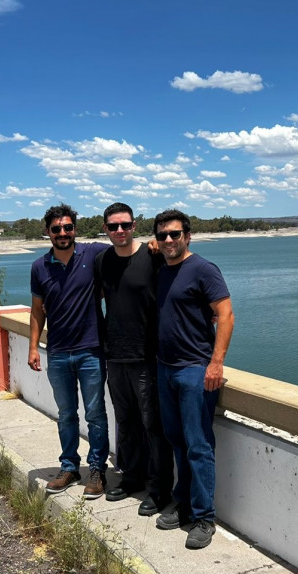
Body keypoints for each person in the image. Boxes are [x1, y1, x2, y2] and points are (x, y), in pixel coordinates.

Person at [152, 209, 234, 550]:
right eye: (162, 236)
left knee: (198, 445)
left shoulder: (203, 269)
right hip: (165, 367)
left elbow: (226, 316)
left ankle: (204, 517)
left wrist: (215, 363)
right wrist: (150, 247)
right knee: (177, 441)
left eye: (175, 234)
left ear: (188, 236)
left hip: (194, 370)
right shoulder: (162, 269)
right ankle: (182, 504)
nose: (169, 240)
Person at [95, 202, 174, 517]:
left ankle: (159, 489)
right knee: (126, 422)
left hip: (146, 357)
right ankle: (131, 478)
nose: (119, 231)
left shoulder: (153, 256)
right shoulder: (103, 261)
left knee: (152, 424)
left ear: (134, 225)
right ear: (106, 229)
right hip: (115, 357)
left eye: (125, 225)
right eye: (113, 226)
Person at [29, 204, 110, 499]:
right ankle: (69, 466)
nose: (63, 233)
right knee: (65, 414)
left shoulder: (93, 253)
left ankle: (97, 469)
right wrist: (33, 347)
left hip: (91, 350)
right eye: (56, 229)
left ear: (75, 228)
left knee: (95, 414)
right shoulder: (39, 267)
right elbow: (37, 310)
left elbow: (125, 244)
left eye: (68, 227)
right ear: (47, 232)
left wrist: (151, 244)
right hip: (59, 352)